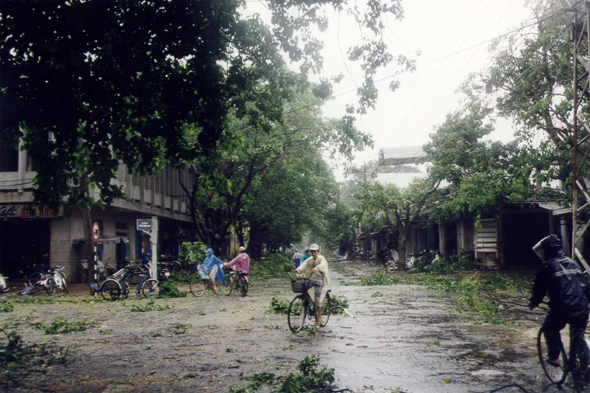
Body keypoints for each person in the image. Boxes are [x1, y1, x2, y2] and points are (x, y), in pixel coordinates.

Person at [529, 234, 590, 368]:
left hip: (563, 308)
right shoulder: (572, 262)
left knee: (549, 329)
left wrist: (534, 302)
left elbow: (539, 289)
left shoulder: (547, 266)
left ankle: (554, 358)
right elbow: (586, 284)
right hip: (582, 306)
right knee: (578, 333)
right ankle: (585, 362)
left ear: (546, 251)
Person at [295, 243, 330, 325]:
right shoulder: (309, 260)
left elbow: (323, 265)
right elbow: (303, 265)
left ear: (318, 251)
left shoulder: (321, 258)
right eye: (311, 251)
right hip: (311, 279)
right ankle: (309, 302)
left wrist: (318, 268)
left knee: (318, 299)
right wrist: (298, 270)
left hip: (319, 281)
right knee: (304, 290)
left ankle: (320, 317)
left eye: (314, 251)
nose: (313, 253)